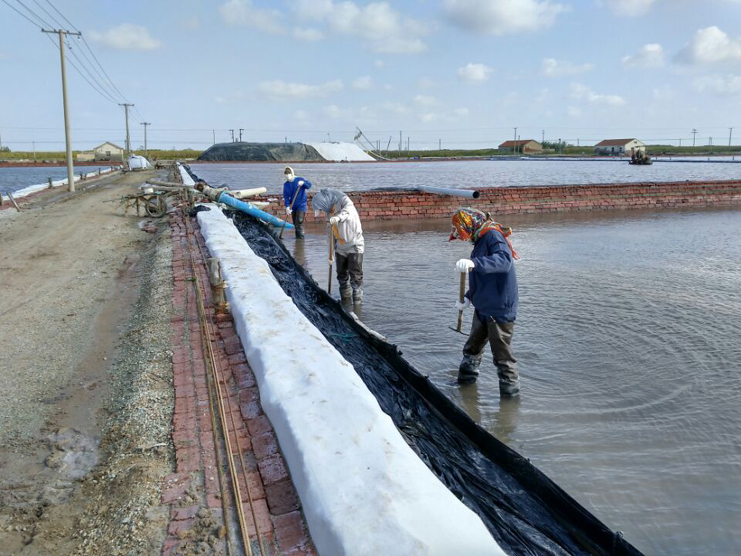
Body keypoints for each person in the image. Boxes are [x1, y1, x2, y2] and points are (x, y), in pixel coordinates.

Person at [449, 207, 521, 397]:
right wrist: (468, 296)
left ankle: (509, 401)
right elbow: (483, 278)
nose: (461, 236)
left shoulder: (492, 236)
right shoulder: (480, 239)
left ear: (470, 224)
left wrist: (475, 263)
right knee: (472, 349)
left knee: (502, 358)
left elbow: (504, 261)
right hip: (482, 307)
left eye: (461, 230)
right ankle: (464, 385)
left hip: (499, 309)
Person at [312, 188, 365, 303]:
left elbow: (347, 213)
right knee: (341, 276)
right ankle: (345, 301)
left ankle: (357, 303)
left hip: (354, 245)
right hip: (340, 248)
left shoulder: (345, 202)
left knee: (355, 276)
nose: (323, 212)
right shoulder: (329, 212)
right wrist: (330, 254)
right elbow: (330, 234)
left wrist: (338, 218)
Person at [283, 166, 312, 239]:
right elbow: (286, 196)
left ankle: (301, 239)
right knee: (295, 224)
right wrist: (287, 207)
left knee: (299, 221)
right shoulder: (286, 184)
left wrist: (303, 183)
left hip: (301, 205)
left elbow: (309, 185)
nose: (287, 175)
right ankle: (298, 240)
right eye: (286, 174)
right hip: (293, 206)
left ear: (292, 173)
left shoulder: (299, 179)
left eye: (289, 173)